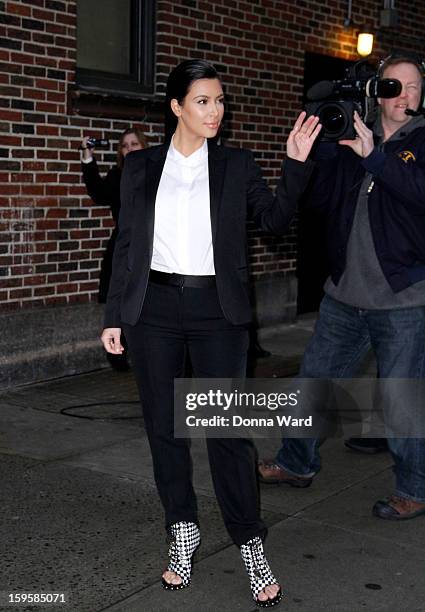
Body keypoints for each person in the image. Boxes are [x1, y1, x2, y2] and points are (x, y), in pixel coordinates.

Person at [101, 59, 321, 606]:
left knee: (227, 433)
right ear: (177, 107)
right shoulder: (141, 167)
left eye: (220, 101)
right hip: (152, 308)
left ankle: (249, 540)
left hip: (217, 312)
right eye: (203, 101)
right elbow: (126, 245)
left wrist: (295, 166)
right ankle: (183, 530)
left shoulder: (237, 165)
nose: (215, 111)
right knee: (165, 433)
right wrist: (113, 315)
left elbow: (273, 222)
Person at [259, 56, 425, 521]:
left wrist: (375, 156)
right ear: (378, 91)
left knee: (402, 399)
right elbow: (319, 202)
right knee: (313, 383)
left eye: (415, 87)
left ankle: (413, 488)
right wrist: (322, 150)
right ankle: (296, 464)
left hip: (403, 300)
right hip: (344, 296)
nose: (405, 95)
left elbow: (418, 192)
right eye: (396, 85)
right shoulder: (353, 136)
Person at [81, 127, 147, 370]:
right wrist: (88, 157)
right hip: (124, 244)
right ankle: (118, 353)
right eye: (125, 145)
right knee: (119, 296)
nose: (129, 148)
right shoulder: (117, 176)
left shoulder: (156, 174)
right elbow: (98, 193)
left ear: (143, 147)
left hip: (153, 245)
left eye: (134, 144)